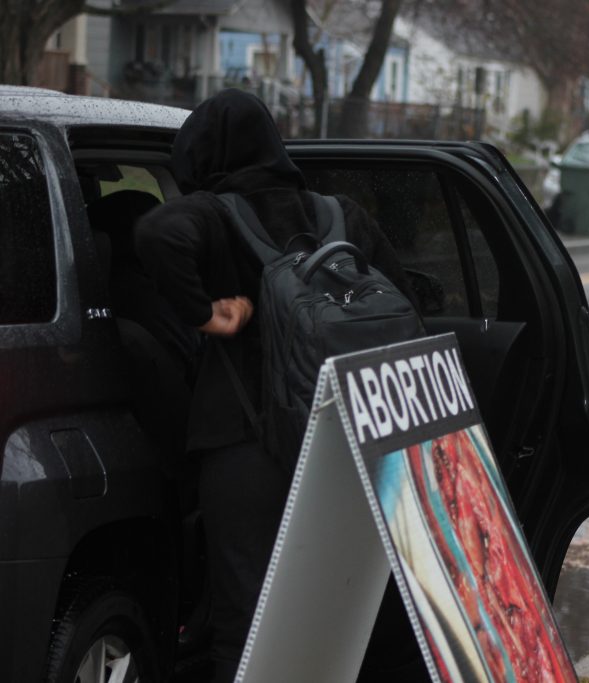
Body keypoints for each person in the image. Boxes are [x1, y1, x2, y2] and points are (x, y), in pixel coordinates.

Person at [135, 88, 417, 682]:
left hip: (248, 448)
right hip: (343, 447)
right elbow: (404, 300)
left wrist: (207, 315)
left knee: (246, 619)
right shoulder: (339, 214)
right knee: (330, 613)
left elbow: (156, 235)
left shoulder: (213, 213)